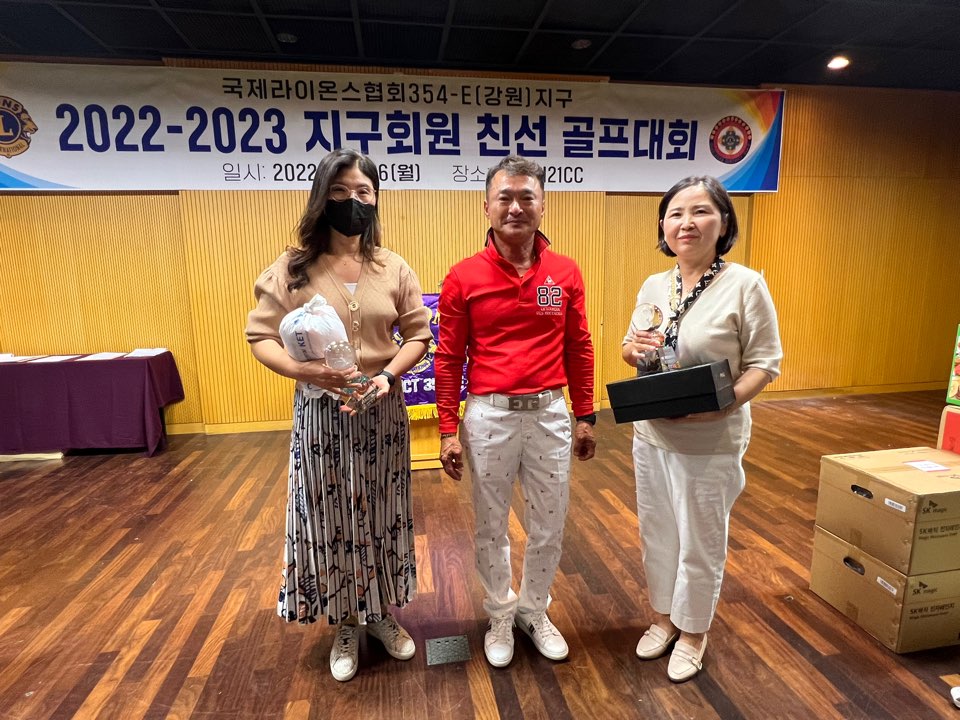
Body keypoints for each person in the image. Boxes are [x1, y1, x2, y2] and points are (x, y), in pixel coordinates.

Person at [245, 148, 431, 682]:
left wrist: (387, 376)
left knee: (381, 510)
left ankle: (380, 612)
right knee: (331, 516)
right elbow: (259, 336)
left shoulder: (392, 266)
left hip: (381, 411)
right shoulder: (292, 268)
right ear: (321, 198)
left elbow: (418, 335)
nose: (353, 201)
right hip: (322, 414)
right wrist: (303, 371)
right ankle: (346, 619)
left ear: (376, 199)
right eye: (341, 191)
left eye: (364, 192)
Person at [435, 155, 597, 668]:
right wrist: (447, 429)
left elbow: (579, 346)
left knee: (550, 522)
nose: (515, 207)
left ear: (543, 206)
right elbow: (448, 357)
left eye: (527, 197)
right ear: (486, 206)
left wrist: (586, 414)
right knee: (491, 524)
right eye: (504, 197)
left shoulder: (565, 272)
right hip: (490, 416)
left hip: (550, 413)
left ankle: (534, 610)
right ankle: (501, 614)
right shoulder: (463, 276)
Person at [621, 175, 782, 682]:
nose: (686, 223)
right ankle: (664, 618)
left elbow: (765, 364)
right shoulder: (654, 284)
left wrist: (722, 406)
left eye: (700, 211)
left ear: (724, 222)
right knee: (658, 534)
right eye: (675, 213)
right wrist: (634, 351)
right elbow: (630, 346)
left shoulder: (745, 285)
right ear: (663, 226)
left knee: (700, 539)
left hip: (711, 437)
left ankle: (693, 631)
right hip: (652, 433)